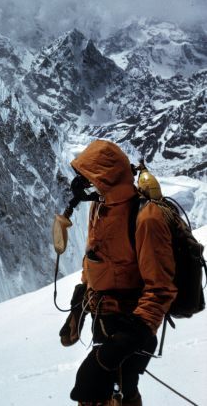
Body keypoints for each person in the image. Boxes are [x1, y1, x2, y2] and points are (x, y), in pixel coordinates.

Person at [61, 140, 177, 406]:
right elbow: (95, 258)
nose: (84, 184)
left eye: (90, 178)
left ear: (107, 179)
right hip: (106, 321)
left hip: (132, 327)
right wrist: (80, 300)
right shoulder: (100, 207)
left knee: (110, 394)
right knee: (104, 395)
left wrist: (120, 346)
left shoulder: (146, 219)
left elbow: (161, 290)